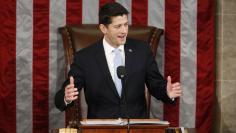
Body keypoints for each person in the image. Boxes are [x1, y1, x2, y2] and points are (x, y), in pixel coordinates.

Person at [55, 2, 182, 119]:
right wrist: (66, 97)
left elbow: (155, 84)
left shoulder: (142, 51)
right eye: (118, 26)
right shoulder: (85, 58)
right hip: (100, 129)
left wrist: (166, 92)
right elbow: (64, 94)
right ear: (103, 28)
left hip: (136, 128)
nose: (124, 31)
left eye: (126, 25)